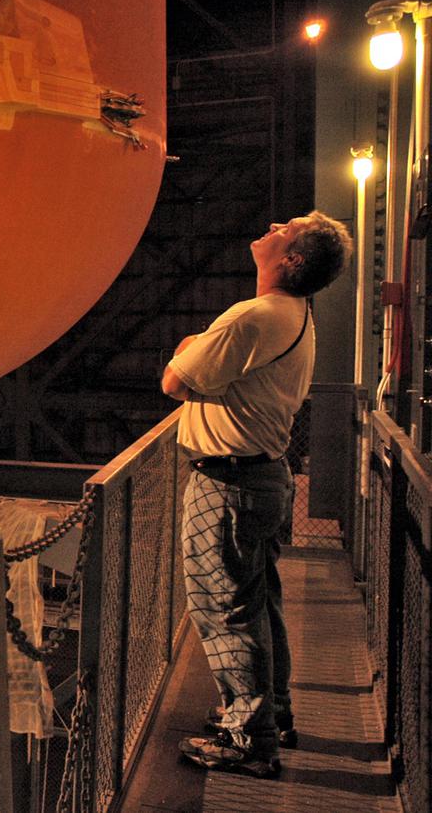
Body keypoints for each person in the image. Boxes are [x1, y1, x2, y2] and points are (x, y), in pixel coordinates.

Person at [161, 211, 352, 778]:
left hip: (227, 484)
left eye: (285, 230)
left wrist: (191, 345)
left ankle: (250, 739)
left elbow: (176, 381)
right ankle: (271, 717)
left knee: (225, 611)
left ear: (291, 259)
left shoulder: (255, 316)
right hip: (261, 477)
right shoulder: (295, 315)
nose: (273, 227)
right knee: (258, 605)